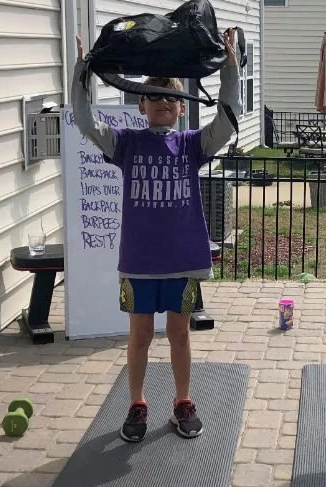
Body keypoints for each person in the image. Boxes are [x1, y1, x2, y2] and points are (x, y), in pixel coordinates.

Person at [71, 29, 241, 443]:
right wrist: (82, 71)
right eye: (157, 96)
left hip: (182, 261)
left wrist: (231, 68)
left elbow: (228, 119)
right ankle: (137, 403)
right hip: (140, 264)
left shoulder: (191, 146)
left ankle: (183, 401)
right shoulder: (125, 144)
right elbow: (85, 120)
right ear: (141, 104)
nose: (165, 102)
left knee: (180, 333)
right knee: (141, 335)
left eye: (173, 98)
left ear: (182, 109)